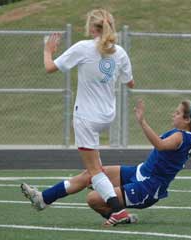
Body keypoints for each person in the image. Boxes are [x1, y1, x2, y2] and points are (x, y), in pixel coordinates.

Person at [21, 8, 135, 226]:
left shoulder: (83, 48)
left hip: (85, 118)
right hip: (106, 117)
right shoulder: (119, 52)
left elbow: (50, 68)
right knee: (91, 172)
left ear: (92, 28)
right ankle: (43, 198)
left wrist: (48, 50)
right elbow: (130, 83)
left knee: (95, 172)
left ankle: (118, 210)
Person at [86, 97, 191, 224]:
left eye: (177, 113)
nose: (173, 114)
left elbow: (160, 145)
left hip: (146, 188)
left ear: (187, 119)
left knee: (93, 198)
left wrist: (142, 121)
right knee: (93, 174)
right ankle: (67, 188)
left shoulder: (180, 137)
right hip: (139, 172)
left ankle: (121, 215)